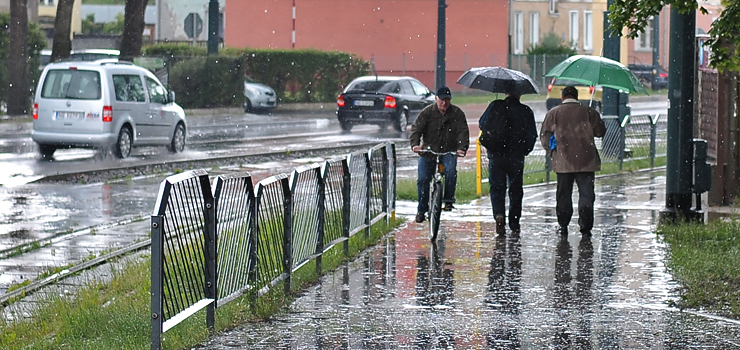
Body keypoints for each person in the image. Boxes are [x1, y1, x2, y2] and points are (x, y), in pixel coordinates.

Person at [539, 86, 606, 235]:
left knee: (563, 194)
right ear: (576, 97)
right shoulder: (588, 112)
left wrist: (553, 152)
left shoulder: (553, 113)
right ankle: (585, 226)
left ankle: (563, 225)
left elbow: (544, 136)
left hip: (563, 163)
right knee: (587, 195)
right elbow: (600, 132)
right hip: (586, 162)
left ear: (563, 97)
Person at [409, 86, 470, 223]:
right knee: (423, 179)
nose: (444, 103)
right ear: (436, 99)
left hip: (448, 151)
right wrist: (415, 145)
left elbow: (463, 132)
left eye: (447, 100)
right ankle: (421, 210)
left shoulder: (457, 113)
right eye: (442, 100)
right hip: (428, 152)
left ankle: (448, 200)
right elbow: (416, 129)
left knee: (450, 171)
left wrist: (462, 148)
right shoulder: (427, 112)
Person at [480, 89, 537, 234]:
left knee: (497, 188)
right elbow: (532, 135)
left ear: (505, 92)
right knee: (516, 189)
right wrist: (524, 150)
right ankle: (514, 221)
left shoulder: (495, 106)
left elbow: (482, 124)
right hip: (516, 157)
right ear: (520, 93)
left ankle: (499, 214)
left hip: (496, 155)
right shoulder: (525, 111)